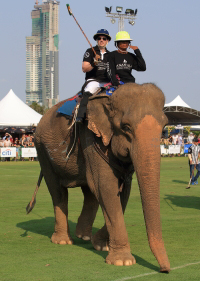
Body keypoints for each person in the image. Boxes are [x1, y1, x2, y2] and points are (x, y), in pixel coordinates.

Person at [76, 29, 111, 122]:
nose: (101, 40)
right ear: (97, 40)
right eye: (99, 38)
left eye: (104, 38)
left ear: (108, 41)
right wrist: (94, 62)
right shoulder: (90, 51)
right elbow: (84, 68)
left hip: (107, 82)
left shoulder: (111, 55)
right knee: (89, 90)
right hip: (94, 81)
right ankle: (80, 116)